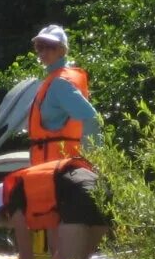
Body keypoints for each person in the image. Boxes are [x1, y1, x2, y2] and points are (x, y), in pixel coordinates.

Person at [28, 24, 101, 165]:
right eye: (40, 47)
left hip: (60, 169)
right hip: (51, 167)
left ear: (62, 50)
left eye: (50, 46)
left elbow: (91, 118)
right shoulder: (52, 80)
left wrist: (94, 161)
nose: (43, 52)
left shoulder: (60, 83)